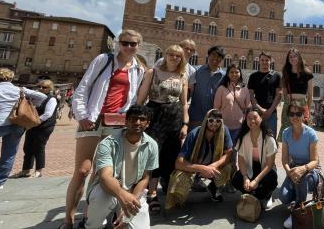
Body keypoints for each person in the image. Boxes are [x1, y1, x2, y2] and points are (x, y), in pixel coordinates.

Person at [60, 30, 146, 229]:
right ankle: (68, 219)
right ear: (118, 43)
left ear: (138, 46)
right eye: (125, 43)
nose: (129, 47)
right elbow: (83, 87)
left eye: (133, 44)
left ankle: (89, 217)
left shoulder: (138, 69)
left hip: (115, 122)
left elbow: (132, 98)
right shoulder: (104, 60)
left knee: (101, 172)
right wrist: (81, 115)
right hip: (92, 118)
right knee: (82, 170)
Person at [85, 105, 159, 229]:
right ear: (126, 121)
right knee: (100, 199)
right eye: (133, 119)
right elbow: (105, 177)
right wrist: (123, 197)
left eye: (142, 119)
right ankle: (93, 226)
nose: (137, 122)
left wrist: (131, 203)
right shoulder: (108, 143)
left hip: (133, 191)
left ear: (148, 124)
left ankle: (121, 218)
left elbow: (145, 178)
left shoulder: (152, 145)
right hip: (107, 189)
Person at [136, 44, 189, 212]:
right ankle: (150, 193)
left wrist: (185, 124)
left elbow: (184, 103)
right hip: (155, 115)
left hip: (174, 117)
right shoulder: (153, 72)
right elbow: (141, 98)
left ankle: (163, 191)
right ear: (165, 55)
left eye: (178, 56)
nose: (174, 58)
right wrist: (137, 118)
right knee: (153, 154)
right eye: (171, 54)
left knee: (170, 154)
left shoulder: (182, 76)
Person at [0, 68, 47, 189]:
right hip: (17, 124)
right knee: (9, 154)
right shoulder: (18, 90)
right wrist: (32, 104)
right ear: (11, 78)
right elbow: (42, 96)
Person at [165, 109, 233, 208]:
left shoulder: (224, 130)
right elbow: (178, 163)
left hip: (212, 166)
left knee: (229, 167)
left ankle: (213, 187)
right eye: (211, 120)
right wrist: (202, 168)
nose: (214, 124)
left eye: (218, 121)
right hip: (194, 167)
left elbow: (229, 154)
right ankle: (179, 198)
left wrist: (212, 166)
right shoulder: (194, 133)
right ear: (206, 120)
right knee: (178, 177)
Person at [279, 105, 320, 229]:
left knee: (302, 179)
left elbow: (315, 161)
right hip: (293, 169)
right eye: (291, 114)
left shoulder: (311, 133)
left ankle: (297, 212)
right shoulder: (286, 132)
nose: (295, 117)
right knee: (283, 196)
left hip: (310, 170)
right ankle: (297, 199)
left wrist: (303, 169)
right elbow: (284, 159)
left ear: (304, 115)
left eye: (298, 114)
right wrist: (289, 172)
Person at [232, 107, 278, 209]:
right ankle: (252, 193)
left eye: (255, 117)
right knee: (236, 179)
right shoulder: (243, 137)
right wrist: (245, 178)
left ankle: (266, 195)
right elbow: (241, 160)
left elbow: (270, 164)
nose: (252, 120)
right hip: (250, 167)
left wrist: (256, 181)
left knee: (271, 179)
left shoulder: (268, 138)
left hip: (265, 169)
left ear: (261, 118)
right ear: (245, 119)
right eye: (249, 118)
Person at [11, 80, 58, 179]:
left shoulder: (51, 99)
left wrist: (34, 121)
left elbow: (48, 114)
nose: (41, 89)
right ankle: (25, 170)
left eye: (44, 87)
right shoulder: (35, 97)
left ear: (50, 89)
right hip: (32, 126)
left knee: (39, 147)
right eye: (39, 86)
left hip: (44, 126)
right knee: (27, 147)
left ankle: (38, 171)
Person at [278, 48, 314, 141]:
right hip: (289, 104)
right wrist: (287, 102)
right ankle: (288, 155)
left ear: (299, 57)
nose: (293, 58)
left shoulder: (307, 73)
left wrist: (308, 111)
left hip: (302, 104)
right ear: (288, 59)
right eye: (290, 57)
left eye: (295, 56)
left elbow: (310, 95)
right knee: (288, 133)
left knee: (302, 133)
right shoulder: (286, 73)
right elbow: (285, 91)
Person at [188, 46, 226, 128]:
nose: (215, 58)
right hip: (195, 116)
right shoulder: (197, 71)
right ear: (208, 56)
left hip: (213, 119)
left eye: (219, 56)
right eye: (213, 55)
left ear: (222, 59)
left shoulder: (224, 76)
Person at [248, 52, 282, 137]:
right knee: (256, 137)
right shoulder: (253, 76)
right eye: (262, 60)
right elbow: (251, 95)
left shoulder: (277, 76)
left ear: (270, 61)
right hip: (257, 113)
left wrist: (270, 110)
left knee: (271, 138)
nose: (264, 62)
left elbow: (279, 95)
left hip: (272, 113)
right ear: (259, 61)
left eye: (267, 60)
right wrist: (260, 109)